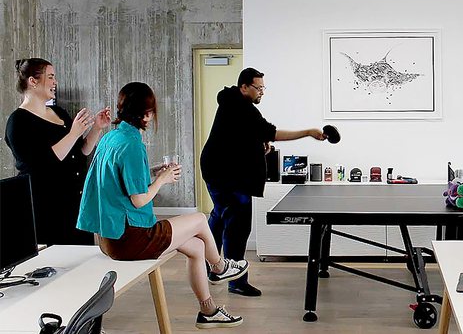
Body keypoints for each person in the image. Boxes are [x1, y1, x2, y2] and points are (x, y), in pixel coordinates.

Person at [76, 82, 249, 328]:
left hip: (108, 236)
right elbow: (139, 199)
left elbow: (121, 180)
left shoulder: (111, 137)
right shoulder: (132, 144)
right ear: (147, 114)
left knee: (197, 248)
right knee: (200, 218)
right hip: (129, 239)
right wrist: (162, 180)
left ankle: (208, 311)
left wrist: (152, 171)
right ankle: (220, 267)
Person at [200, 67, 326, 297]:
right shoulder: (241, 107)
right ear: (244, 87)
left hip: (217, 170)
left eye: (263, 88)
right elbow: (272, 132)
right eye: (258, 88)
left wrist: (257, 144)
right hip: (227, 175)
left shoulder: (232, 102)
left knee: (219, 217)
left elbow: (238, 136)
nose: (262, 93)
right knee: (237, 226)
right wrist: (308, 132)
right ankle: (235, 280)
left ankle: (212, 268)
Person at [4, 58, 110, 246]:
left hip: (74, 204)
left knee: (82, 263)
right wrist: (73, 132)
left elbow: (81, 151)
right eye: (51, 77)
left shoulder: (59, 112)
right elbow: (41, 163)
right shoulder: (18, 122)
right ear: (33, 81)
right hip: (46, 208)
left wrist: (96, 128)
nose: (56, 82)